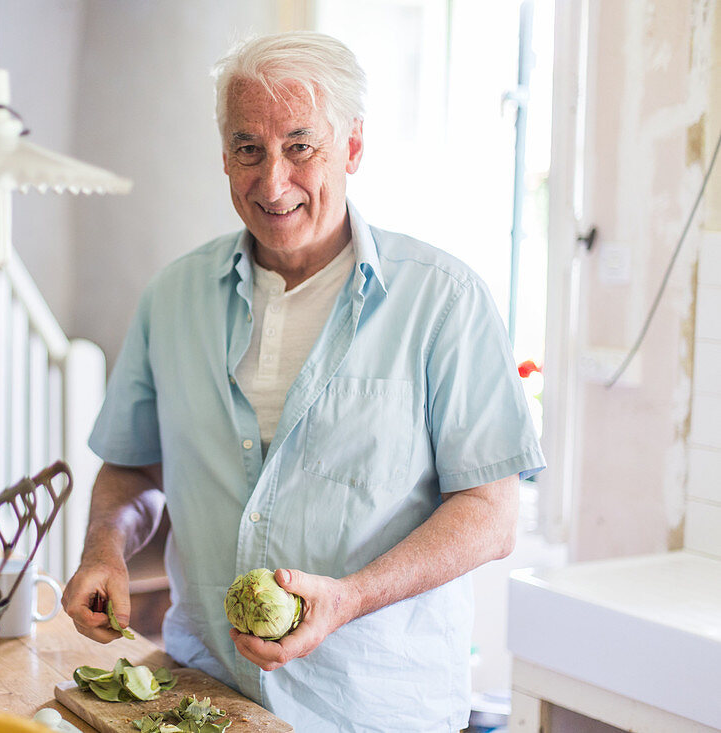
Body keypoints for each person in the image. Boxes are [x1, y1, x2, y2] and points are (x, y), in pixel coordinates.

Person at [62, 31, 545, 732]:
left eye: (300, 145)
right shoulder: (170, 298)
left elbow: (491, 515)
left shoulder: (443, 300)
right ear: (224, 155)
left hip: (376, 710)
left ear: (350, 148)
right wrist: (103, 548)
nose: (272, 181)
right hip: (204, 699)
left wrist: (350, 596)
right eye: (248, 149)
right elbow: (133, 467)